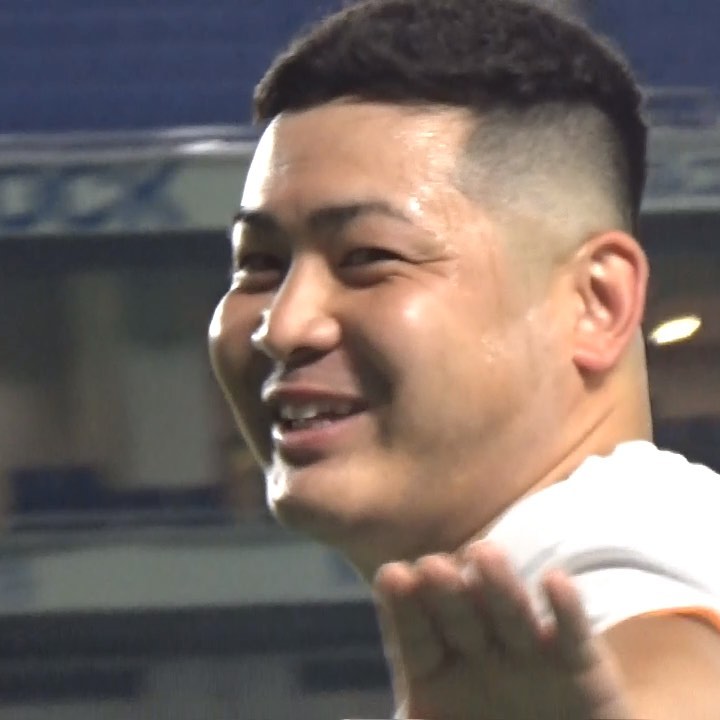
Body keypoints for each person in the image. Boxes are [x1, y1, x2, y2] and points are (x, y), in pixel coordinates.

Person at [208, 0, 720, 717]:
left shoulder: (620, 558)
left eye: (367, 257)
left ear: (596, 302)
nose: (282, 324)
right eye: (258, 264)